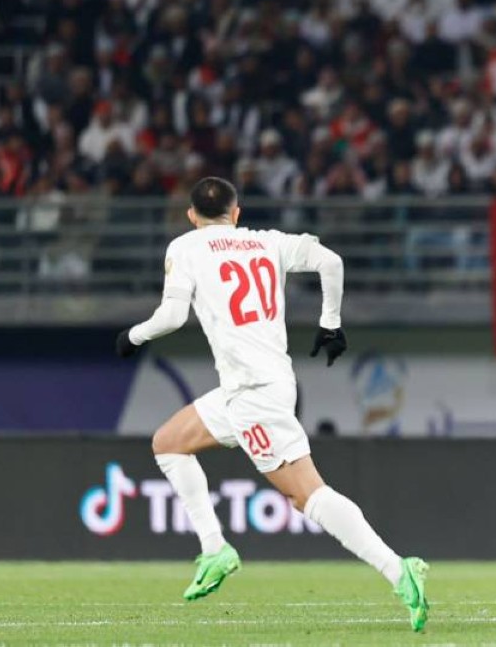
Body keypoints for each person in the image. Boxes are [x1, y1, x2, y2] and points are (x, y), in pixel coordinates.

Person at [115, 177, 429, 632]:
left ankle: (399, 571)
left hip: (253, 395)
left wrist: (132, 336)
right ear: (236, 213)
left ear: (191, 215)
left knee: (307, 495)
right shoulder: (268, 242)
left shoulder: (185, 247)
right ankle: (214, 549)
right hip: (253, 386)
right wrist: (330, 323)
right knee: (168, 443)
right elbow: (331, 261)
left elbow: (173, 315)